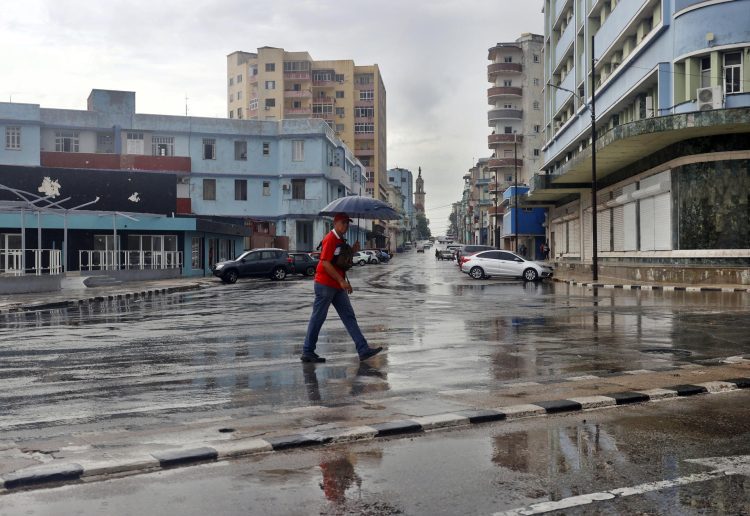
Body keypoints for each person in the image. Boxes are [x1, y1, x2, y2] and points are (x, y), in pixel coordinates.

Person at [301, 212, 383, 363]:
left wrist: (353, 250)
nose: (346, 225)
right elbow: (325, 262)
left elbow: (339, 261)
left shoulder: (340, 239)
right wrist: (341, 280)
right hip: (325, 284)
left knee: (349, 316)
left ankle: (363, 349)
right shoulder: (330, 238)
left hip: (337, 285)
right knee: (318, 318)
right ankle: (307, 351)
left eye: (347, 223)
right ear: (335, 223)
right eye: (343, 223)